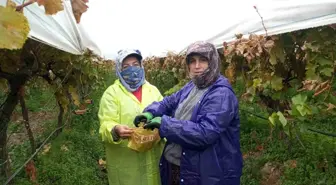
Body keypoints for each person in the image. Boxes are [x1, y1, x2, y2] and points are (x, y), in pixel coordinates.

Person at [134, 41, 243, 185]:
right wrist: (151, 112)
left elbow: (205, 133)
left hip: (206, 172)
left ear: (214, 62)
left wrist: (165, 123)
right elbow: (170, 102)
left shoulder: (221, 94)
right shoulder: (193, 85)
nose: (197, 66)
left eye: (203, 60)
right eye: (192, 61)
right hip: (181, 166)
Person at [98, 49, 164, 185]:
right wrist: (115, 129)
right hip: (126, 163)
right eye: (126, 67)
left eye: (135, 64)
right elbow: (106, 123)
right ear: (119, 69)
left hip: (153, 157)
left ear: (142, 66)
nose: (132, 70)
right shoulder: (111, 94)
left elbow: (164, 114)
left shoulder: (153, 90)